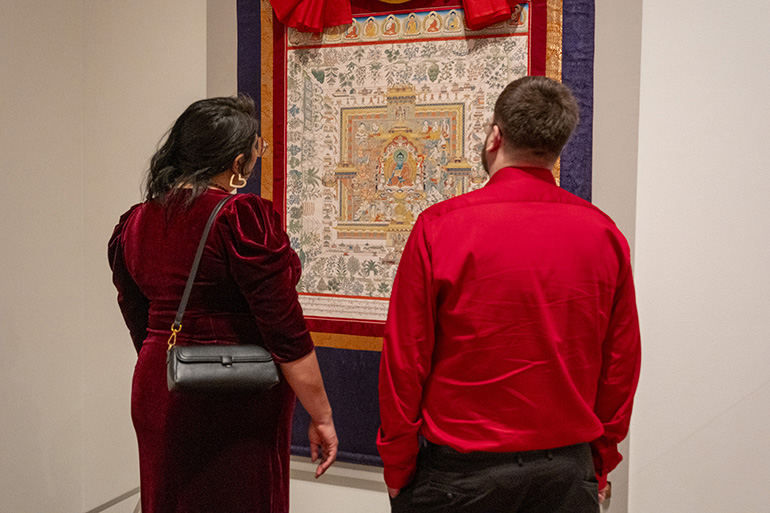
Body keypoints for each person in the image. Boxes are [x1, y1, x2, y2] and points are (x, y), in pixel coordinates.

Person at [377, 76, 641, 512]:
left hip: (461, 478)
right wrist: (600, 460)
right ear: (558, 149)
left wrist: (398, 465)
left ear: (494, 136)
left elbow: (405, 360)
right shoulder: (604, 233)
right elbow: (621, 365)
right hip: (565, 473)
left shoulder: (439, 228)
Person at [108, 95, 338, 513]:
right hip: (233, 392)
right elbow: (285, 329)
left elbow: (138, 322)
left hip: (160, 381)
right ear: (237, 162)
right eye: (255, 151)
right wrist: (321, 415)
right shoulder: (240, 217)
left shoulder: (135, 222)